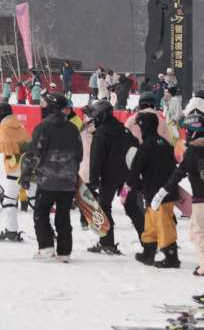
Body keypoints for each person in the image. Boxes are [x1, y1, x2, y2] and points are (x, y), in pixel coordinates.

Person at [20, 92, 82, 262]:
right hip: (68, 181)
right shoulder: (73, 128)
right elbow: (80, 155)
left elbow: (33, 154)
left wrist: (25, 175)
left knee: (41, 212)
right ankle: (64, 252)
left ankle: (46, 248)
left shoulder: (43, 127)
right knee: (63, 215)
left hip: (47, 181)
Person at [127, 112, 180, 269]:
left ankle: (171, 257)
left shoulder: (147, 146)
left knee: (163, 224)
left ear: (144, 126)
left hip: (156, 192)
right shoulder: (164, 143)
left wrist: (133, 184)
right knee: (151, 222)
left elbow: (136, 168)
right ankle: (148, 252)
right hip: (165, 191)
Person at [87, 100, 139, 255]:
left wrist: (93, 181)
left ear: (101, 116)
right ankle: (149, 241)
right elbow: (136, 148)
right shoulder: (124, 130)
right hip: (126, 180)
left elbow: (96, 159)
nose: (94, 120)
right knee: (132, 207)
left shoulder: (102, 133)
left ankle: (107, 243)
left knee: (104, 207)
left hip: (109, 179)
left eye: (95, 117)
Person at [159, 107, 204, 276]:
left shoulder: (192, 153)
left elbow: (178, 175)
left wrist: (163, 190)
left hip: (200, 201)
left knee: (198, 233)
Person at [0, 102, 37, 242]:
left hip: (14, 165)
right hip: (28, 164)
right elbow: (27, 142)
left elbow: (6, 147)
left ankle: (11, 231)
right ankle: (49, 230)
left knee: (9, 199)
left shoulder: (3, 127)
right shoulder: (19, 124)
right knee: (34, 198)